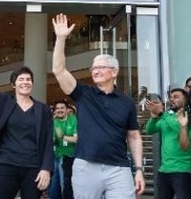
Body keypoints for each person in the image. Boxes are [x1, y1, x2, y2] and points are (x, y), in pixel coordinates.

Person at [51, 13, 145, 197]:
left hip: (119, 168)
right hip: (86, 166)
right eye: (93, 68)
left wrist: (139, 169)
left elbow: (134, 136)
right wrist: (61, 39)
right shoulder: (84, 94)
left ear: (114, 71)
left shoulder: (126, 102)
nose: (95, 71)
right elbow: (58, 70)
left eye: (100, 67)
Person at [0, 36, 53, 198]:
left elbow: (48, 141)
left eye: (29, 79)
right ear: (13, 85)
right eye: (21, 79)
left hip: (33, 168)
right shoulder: (4, 101)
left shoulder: (42, 109)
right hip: (6, 165)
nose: (25, 82)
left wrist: (46, 168)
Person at [145, 89, 191, 199]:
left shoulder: (189, 116)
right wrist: (153, 117)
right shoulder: (167, 117)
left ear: (185, 99)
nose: (171, 99)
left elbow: (178, 128)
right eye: (171, 97)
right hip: (164, 169)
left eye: (176, 97)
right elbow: (150, 130)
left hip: (182, 169)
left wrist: (161, 113)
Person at [50, 100, 77, 199]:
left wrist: (63, 137)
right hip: (55, 156)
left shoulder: (73, 120)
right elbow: (52, 140)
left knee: (64, 185)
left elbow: (76, 139)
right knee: (53, 187)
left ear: (66, 109)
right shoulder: (54, 121)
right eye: (57, 108)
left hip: (68, 157)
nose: (59, 110)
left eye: (62, 108)